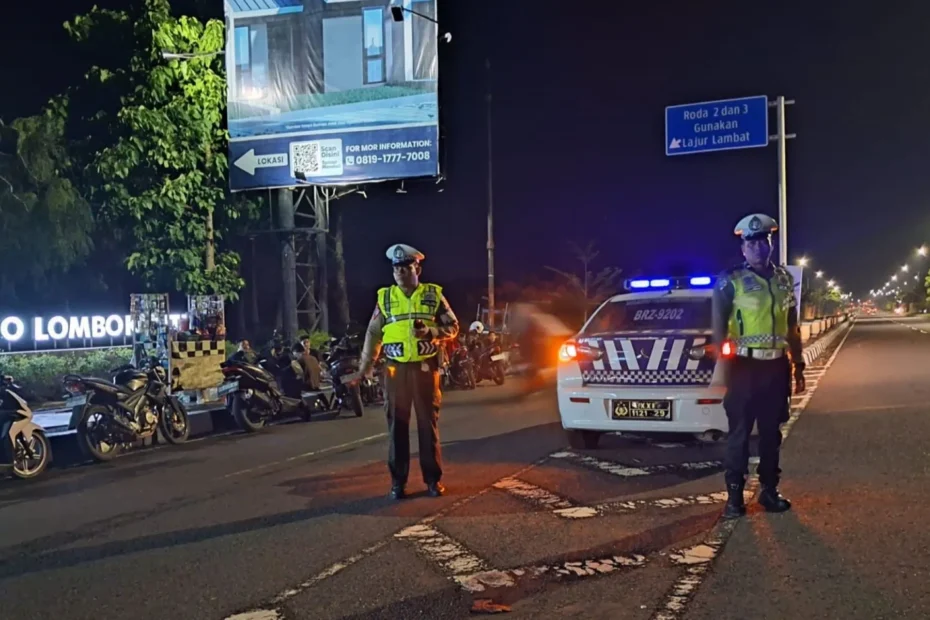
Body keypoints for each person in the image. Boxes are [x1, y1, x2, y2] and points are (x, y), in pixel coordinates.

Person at [713, 213, 806, 519]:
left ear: (770, 244)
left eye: (762, 242)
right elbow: (717, 333)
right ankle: (734, 498)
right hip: (743, 369)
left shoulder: (783, 280)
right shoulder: (731, 282)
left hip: (776, 370)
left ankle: (769, 490)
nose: (757, 248)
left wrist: (799, 364)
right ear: (743, 249)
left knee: (771, 434)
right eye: (750, 243)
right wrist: (724, 373)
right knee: (738, 436)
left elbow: (792, 327)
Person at [354, 243, 460, 500]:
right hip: (395, 370)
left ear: (417, 269)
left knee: (427, 426)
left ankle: (433, 481)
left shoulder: (434, 295)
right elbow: (373, 333)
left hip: (425, 369)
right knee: (396, 428)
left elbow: (453, 326)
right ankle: (398, 483)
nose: (400, 272)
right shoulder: (385, 298)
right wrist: (365, 368)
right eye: (396, 268)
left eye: (405, 267)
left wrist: (432, 333)